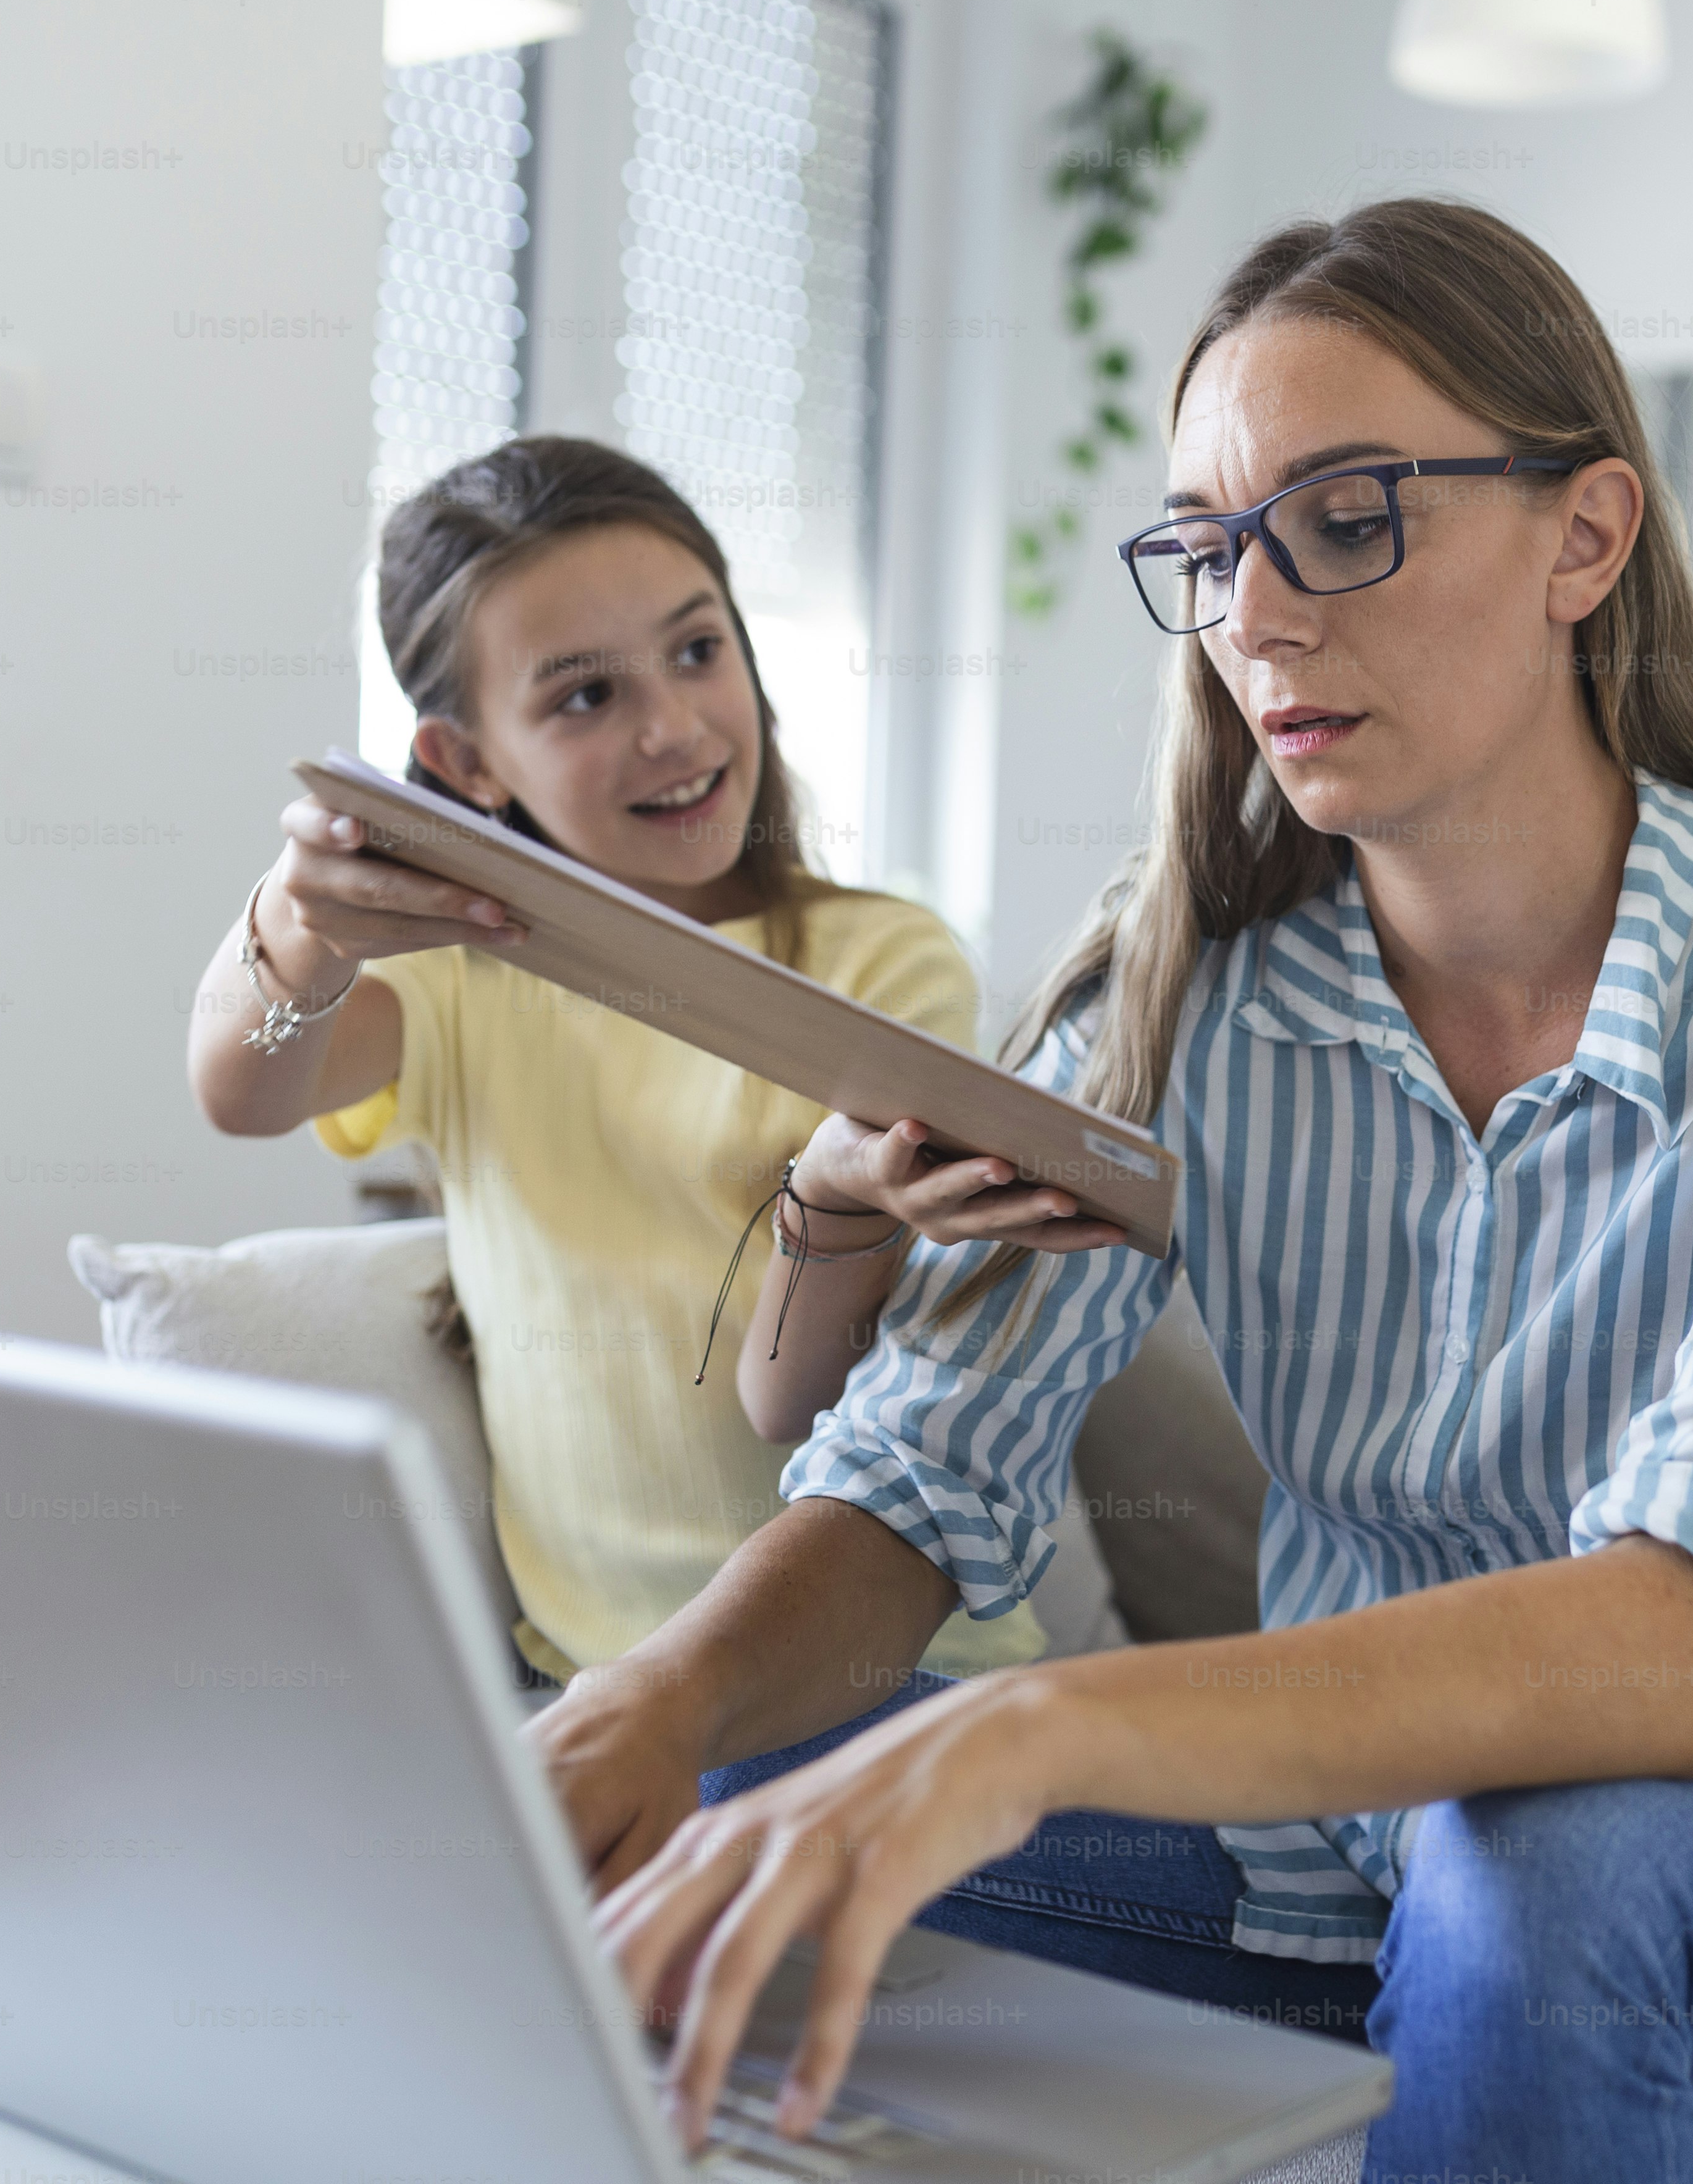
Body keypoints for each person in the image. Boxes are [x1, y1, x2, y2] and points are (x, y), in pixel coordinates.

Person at [530, 201, 1693, 2182]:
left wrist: (1041, 1728)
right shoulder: (1172, 994)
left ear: (1585, 541)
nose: (1256, 617)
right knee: (739, 1782)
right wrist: (652, 1699)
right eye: (1207, 548)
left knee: (1541, 1863)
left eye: (1348, 521)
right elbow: (915, 1483)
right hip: (1335, 1893)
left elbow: (1686, 1653)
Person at [185, 435, 1053, 1686]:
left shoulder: (884, 960)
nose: (675, 728)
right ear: (466, 764)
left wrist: (837, 1203)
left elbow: (805, 1403)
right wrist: (296, 921)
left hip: (892, 1681)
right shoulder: (460, 978)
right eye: (586, 697)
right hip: (603, 1687)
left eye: (698, 651)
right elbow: (243, 1089)